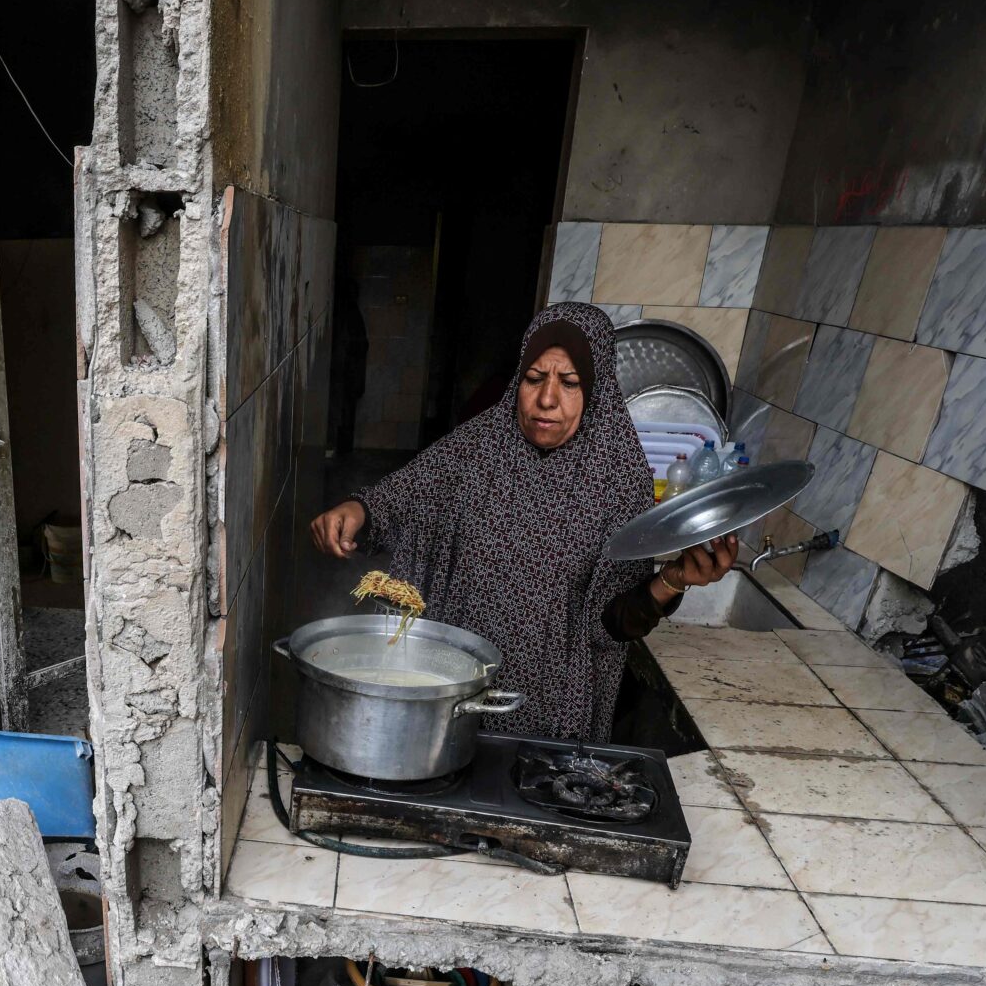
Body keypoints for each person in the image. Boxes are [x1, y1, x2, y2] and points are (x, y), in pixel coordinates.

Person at [309, 302, 737, 741]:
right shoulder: (478, 446)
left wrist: (674, 580)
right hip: (450, 691)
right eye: (534, 379)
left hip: (549, 714)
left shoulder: (618, 480)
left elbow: (614, 621)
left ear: (597, 389)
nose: (546, 399)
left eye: (569, 383)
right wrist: (357, 510)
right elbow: (403, 498)